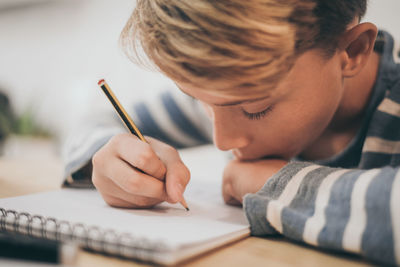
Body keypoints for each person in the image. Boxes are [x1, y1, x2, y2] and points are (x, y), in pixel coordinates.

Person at [63, 0, 400, 265]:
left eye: (256, 108)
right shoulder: (225, 90)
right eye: (197, 99)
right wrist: (114, 159)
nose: (221, 138)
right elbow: (92, 124)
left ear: (352, 52)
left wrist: (276, 184)